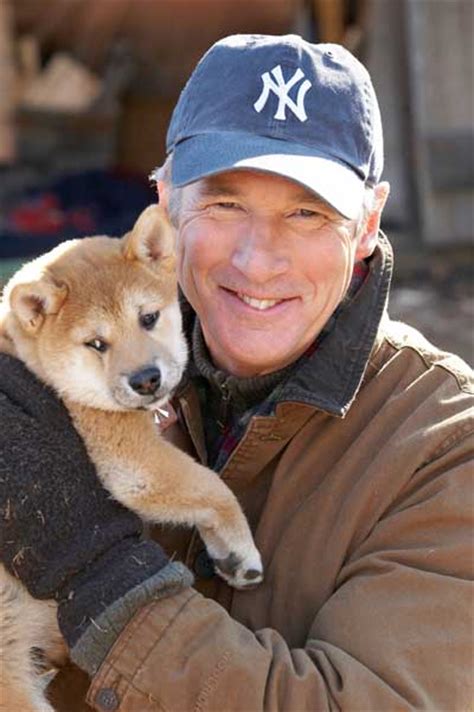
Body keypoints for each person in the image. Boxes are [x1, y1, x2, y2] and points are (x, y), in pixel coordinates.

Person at [1, 34, 473, 712]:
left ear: (368, 223)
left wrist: (97, 573)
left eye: (308, 213)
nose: (256, 261)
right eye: (224, 205)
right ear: (165, 204)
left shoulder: (445, 447)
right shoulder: (57, 364)